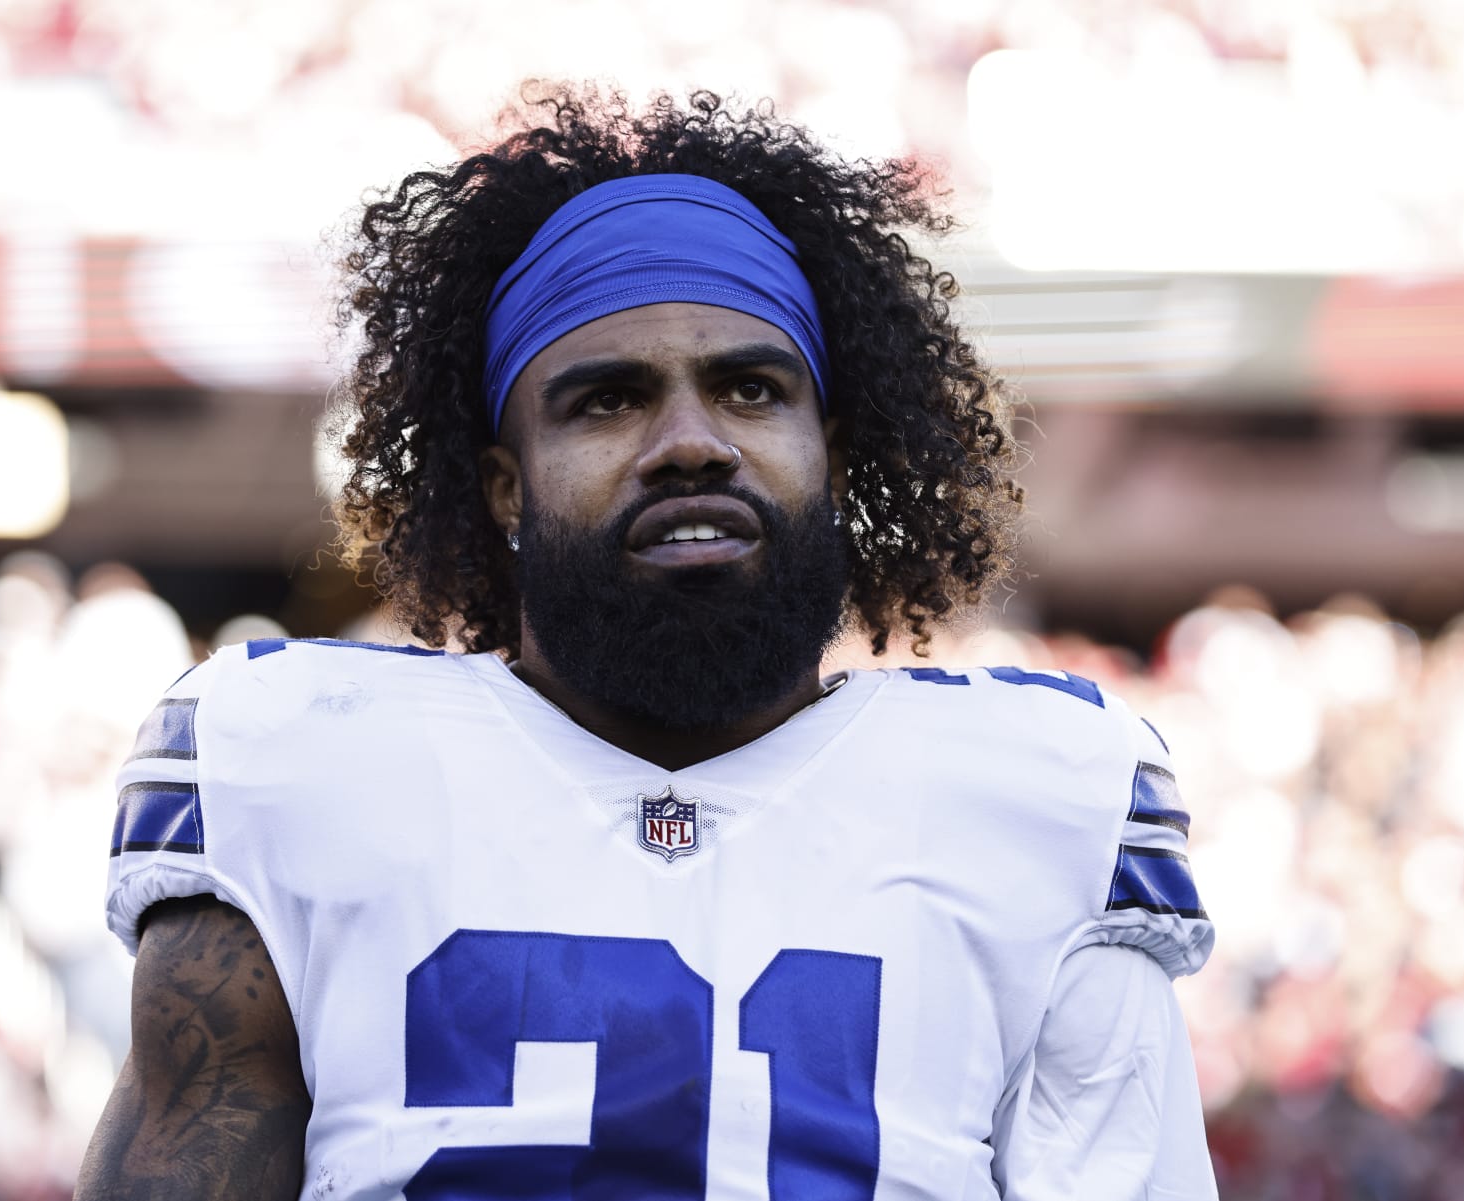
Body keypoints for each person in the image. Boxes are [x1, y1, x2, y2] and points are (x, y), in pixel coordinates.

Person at [75, 87, 1217, 1201]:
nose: (690, 443)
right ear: (504, 488)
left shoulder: (1044, 797)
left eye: (752, 389)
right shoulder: (288, 759)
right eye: (607, 399)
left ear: (834, 456)